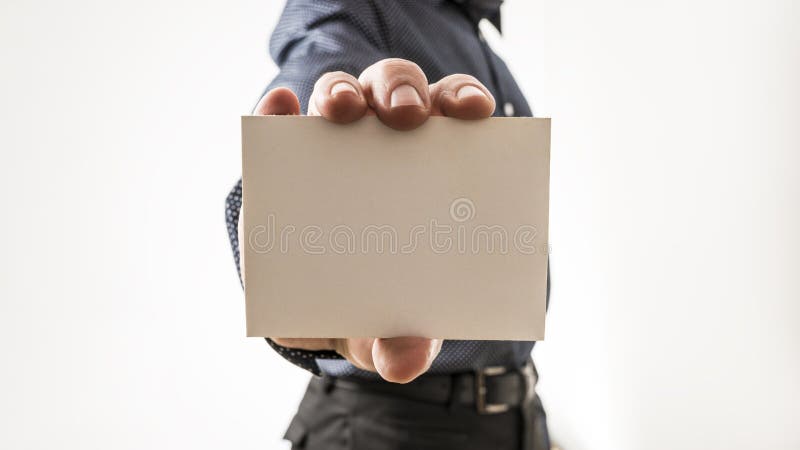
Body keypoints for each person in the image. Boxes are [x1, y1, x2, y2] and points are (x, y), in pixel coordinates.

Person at [225, 1, 551, 449]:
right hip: (391, 425)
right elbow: (313, 92)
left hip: (508, 421)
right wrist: (278, 246)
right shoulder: (359, 8)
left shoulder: (469, 31)